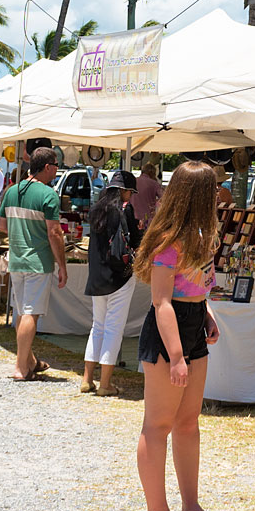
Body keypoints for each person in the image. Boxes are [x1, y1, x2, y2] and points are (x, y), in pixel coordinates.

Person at [133, 159, 222, 511]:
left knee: (188, 423)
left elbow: (195, 289)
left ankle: (190, 504)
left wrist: (207, 315)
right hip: (170, 336)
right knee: (158, 425)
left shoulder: (201, 235)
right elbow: (161, 302)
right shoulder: (170, 241)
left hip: (192, 328)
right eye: (213, 190)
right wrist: (177, 356)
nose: (218, 195)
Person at [1, 148, 69, 381]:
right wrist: (63, 265)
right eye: (57, 165)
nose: (57, 169)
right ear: (48, 166)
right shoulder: (48, 194)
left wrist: (22, 229)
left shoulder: (12, 191)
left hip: (16, 258)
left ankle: (29, 361)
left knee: (23, 312)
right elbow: (55, 232)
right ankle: (21, 367)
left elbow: (1, 224)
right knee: (31, 313)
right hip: (37, 261)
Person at [80, 170, 139, 397]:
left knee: (98, 326)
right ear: (124, 190)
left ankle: (87, 379)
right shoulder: (124, 210)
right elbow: (135, 240)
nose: (130, 197)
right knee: (114, 329)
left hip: (96, 276)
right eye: (130, 192)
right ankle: (105, 384)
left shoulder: (97, 209)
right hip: (119, 276)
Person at [132, 157, 163, 227]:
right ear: (152, 173)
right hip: (147, 218)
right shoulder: (154, 183)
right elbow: (163, 198)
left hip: (132, 216)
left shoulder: (134, 181)